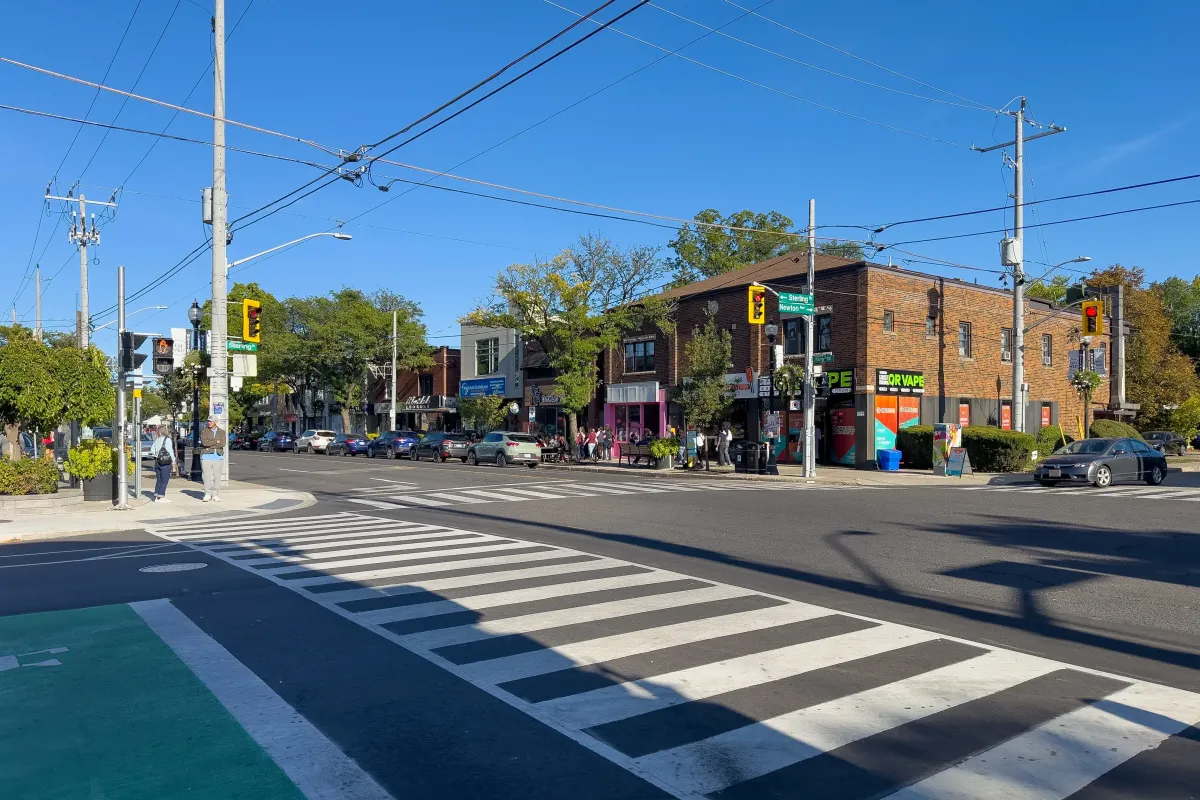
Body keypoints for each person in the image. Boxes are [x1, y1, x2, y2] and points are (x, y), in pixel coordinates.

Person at [199, 416, 226, 502]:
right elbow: (204, 442)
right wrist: (215, 441)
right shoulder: (204, 431)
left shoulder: (221, 432)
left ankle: (215, 494)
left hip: (218, 456)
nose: (209, 422)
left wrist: (210, 444)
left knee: (217, 476)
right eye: (208, 421)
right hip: (206, 456)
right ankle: (207, 493)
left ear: (215, 422)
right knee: (206, 476)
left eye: (210, 421)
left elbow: (222, 444)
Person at [150, 424, 175, 502]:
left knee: (159, 480)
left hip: (157, 462)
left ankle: (156, 496)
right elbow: (170, 451)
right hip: (166, 462)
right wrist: (173, 461)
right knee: (164, 480)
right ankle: (161, 496)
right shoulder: (167, 440)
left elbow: (152, 450)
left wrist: (157, 455)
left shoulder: (156, 440)